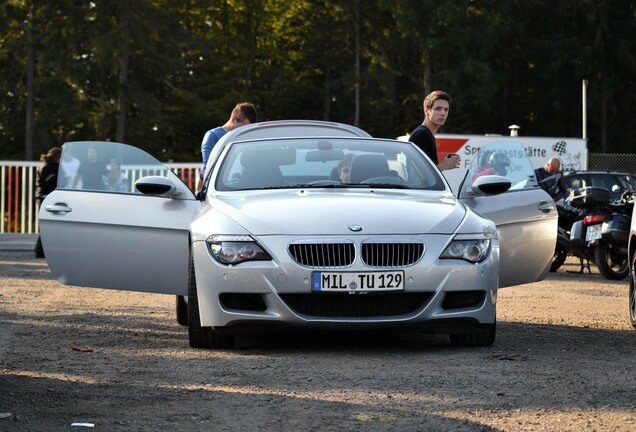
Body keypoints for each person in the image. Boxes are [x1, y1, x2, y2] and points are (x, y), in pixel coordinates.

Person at [199, 102, 257, 186]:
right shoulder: (213, 136)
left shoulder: (248, 136)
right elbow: (208, 168)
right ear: (233, 119)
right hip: (221, 188)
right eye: (243, 127)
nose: (245, 131)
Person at [409, 90, 460, 172]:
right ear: (426, 110)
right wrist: (445, 165)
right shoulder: (421, 135)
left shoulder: (427, 135)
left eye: (446, 109)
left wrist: (445, 163)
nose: (443, 113)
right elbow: (419, 173)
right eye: (438, 109)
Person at [35, 147, 61, 258]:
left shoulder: (47, 165)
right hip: (45, 196)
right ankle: (40, 250)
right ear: (57, 157)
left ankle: (42, 250)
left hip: (45, 196)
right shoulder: (48, 167)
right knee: (48, 224)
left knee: (48, 224)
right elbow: (52, 182)